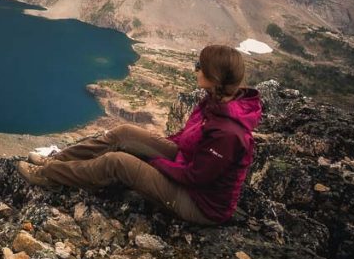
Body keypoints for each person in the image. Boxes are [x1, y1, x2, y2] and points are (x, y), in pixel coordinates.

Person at [16, 44, 262, 225]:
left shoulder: (228, 133)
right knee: (124, 133)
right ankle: (57, 159)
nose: (195, 70)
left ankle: (48, 175)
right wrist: (152, 147)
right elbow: (187, 140)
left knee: (117, 162)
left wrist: (153, 162)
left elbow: (195, 178)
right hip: (185, 162)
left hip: (199, 203)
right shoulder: (215, 102)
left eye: (199, 66)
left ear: (213, 77)